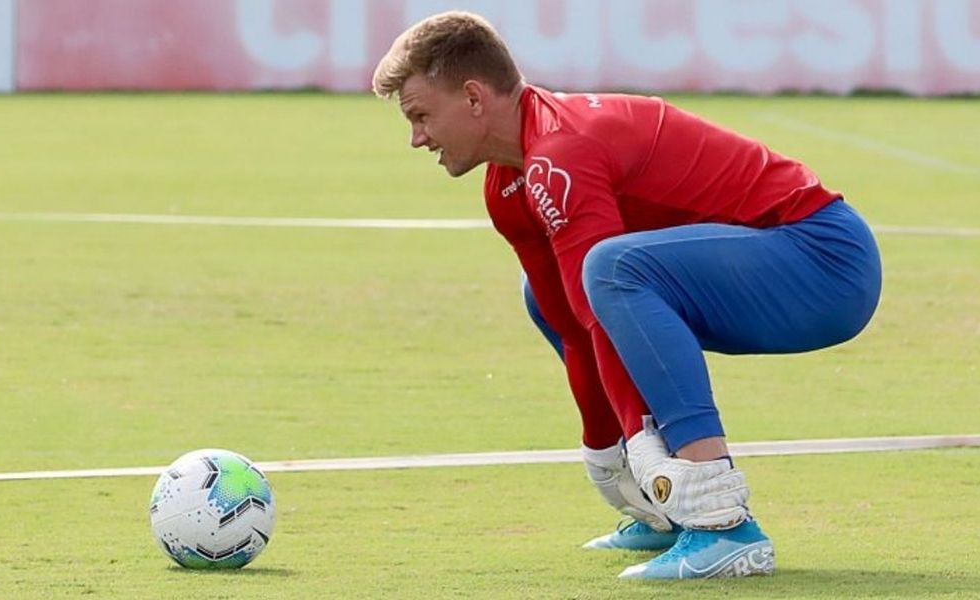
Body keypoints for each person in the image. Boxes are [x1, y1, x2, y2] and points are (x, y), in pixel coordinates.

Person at [372, 11, 881, 580]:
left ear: (472, 97)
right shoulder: (509, 186)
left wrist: (638, 442)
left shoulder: (561, 152)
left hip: (826, 260)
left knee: (611, 268)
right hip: (782, 264)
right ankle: (667, 514)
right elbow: (574, 323)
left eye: (420, 116)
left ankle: (723, 525)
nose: (417, 137)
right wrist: (610, 459)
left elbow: (603, 300)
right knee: (550, 295)